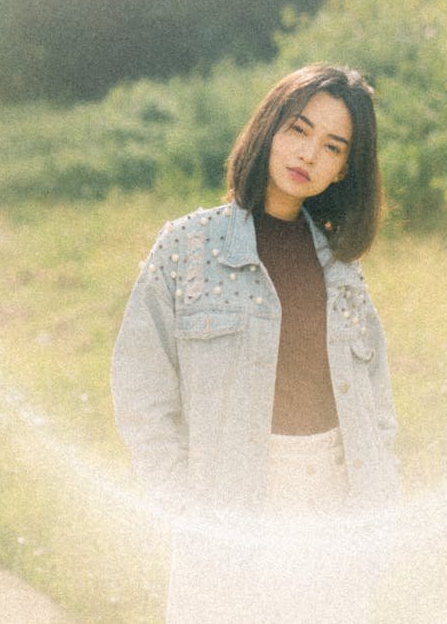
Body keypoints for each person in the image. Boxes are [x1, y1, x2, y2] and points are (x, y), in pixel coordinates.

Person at [112, 63, 399, 622]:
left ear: (343, 170)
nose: (309, 154)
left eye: (332, 146)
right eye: (299, 129)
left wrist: (378, 506)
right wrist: (182, 503)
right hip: (228, 503)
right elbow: (141, 391)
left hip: (333, 503)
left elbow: (375, 400)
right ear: (269, 128)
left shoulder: (342, 268)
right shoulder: (188, 246)